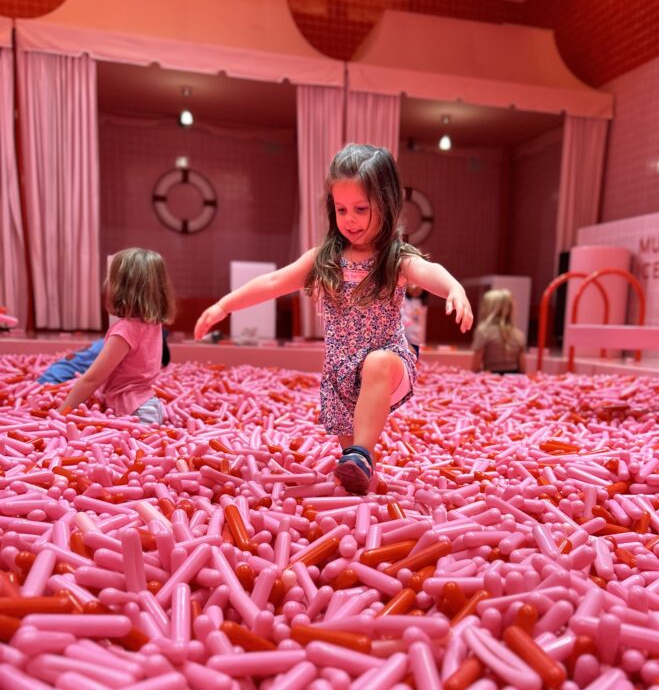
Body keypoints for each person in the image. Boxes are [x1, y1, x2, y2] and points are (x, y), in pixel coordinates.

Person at [195, 143, 473, 494]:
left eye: (360, 209)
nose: (350, 219)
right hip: (341, 375)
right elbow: (274, 282)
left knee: (376, 366)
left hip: (389, 363)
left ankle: (361, 453)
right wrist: (224, 305)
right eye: (341, 209)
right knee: (353, 468)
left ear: (386, 206)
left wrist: (454, 289)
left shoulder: (394, 258)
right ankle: (359, 468)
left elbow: (427, 270)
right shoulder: (324, 258)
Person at [57, 248, 175, 424]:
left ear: (120, 288)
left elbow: (92, 379)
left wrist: (61, 414)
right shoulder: (154, 325)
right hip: (149, 404)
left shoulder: (124, 331)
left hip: (134, 412)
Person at [39, 330, 171, 385]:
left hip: (52, 374)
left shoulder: (113, 340)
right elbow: (91, 381)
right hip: (56, 382)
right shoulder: (122, 346)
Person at [472, 288, 526, 375]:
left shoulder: (483, 332)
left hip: (491, 379)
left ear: (488, 308)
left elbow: (475, 368)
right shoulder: (518, 334)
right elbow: (523, 370)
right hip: (513, 379)